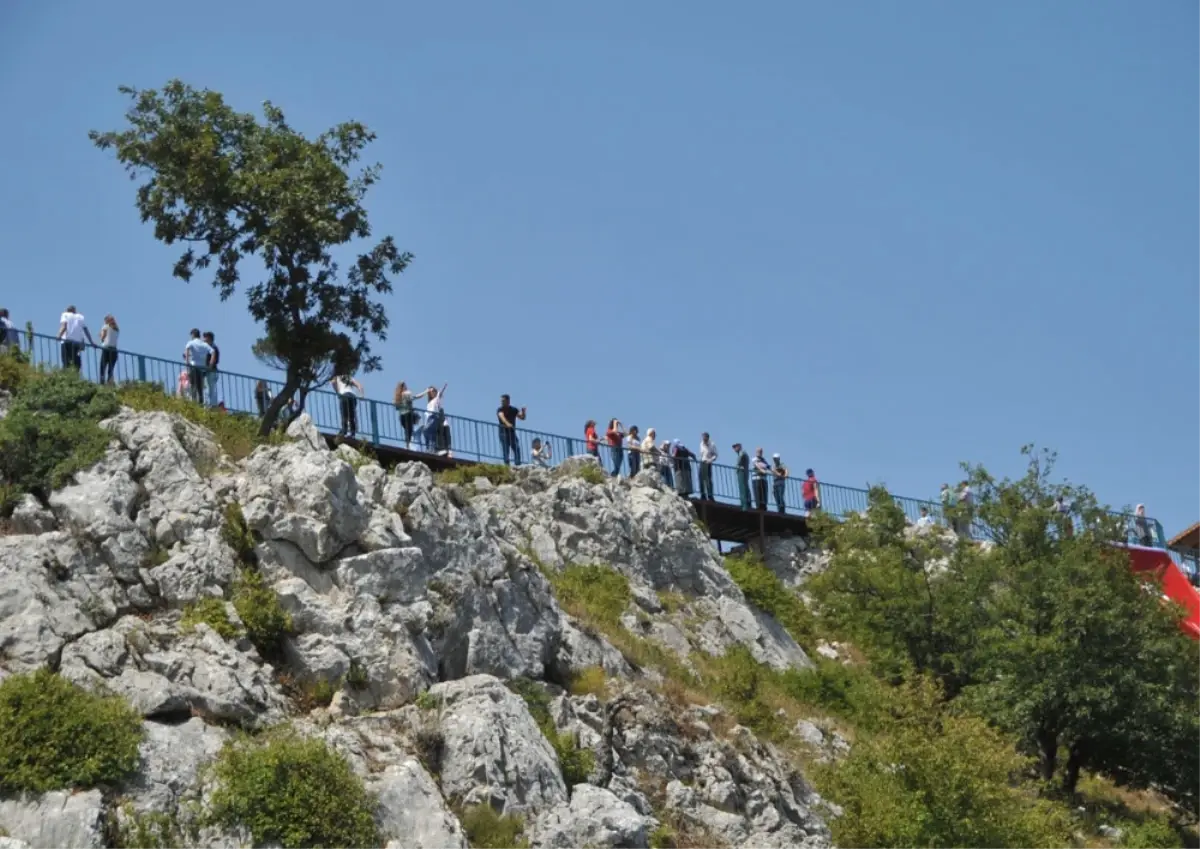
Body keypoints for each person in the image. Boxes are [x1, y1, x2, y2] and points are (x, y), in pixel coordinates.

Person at [58, 305, 94, 370]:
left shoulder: (65, 314)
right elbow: (85, 330)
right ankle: (75, 375)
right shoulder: (80, 317)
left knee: (66, 361)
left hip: (66, 341)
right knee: (76, 362)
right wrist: (91, 342)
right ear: (74, 310)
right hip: (77, 343)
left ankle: (66, 376)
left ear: (67, 310)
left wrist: (59, 335)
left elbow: (64, 326)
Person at [182, 328, 212, 405]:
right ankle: (201, 404)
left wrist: (187, 363)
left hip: (194, 367)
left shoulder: (190, 343)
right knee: (200, 388)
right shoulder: (204, 344)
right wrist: (210, 364)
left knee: (193, 386)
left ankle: (194, 403)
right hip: (202, 368)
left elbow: (186, 353)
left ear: (193, 335)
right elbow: (213, 352)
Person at [497, 394, 527, 465]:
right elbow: (502, 417)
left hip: (512, 432)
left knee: (516, 447)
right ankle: (506, 464)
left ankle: (517, 463)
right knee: (505, 448)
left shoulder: (513, 409)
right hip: (503, 432)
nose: (502, 402)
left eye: (503, 401)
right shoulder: (500, 410)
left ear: (508, 401)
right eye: (501, 401)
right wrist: (507, 424)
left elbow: (522, 418)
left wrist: (523, 412)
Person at [332, 374, 365, 439]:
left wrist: (337, 392)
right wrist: (361, 394)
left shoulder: (337, 376)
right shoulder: (349, 377)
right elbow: (359, 385)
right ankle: (352, 433)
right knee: (351, 416)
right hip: (353, 396)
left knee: (344, 414)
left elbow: (333, 382)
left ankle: (344, 431)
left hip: (344, 395)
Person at [420, 384, 449, 453]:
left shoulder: (437, 398)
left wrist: (444, 386)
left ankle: (432, 449)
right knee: (426, 432)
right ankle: (429, 449)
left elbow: (440, 392)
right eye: (430, 392)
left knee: (430, 432)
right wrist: (427, 391)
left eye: (433, 391)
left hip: (434, 416)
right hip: (429, 418)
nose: (431, 392)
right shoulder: (429, 402)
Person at [394, 382, 419, 448]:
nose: (406, 387)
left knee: (407, 430)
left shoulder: (398, 396)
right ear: (403, 387)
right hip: (407, 415)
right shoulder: (405, 393)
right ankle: (408, 445)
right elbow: (413, 398)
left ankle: (408, 445)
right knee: (409, 430)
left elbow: (397, 407)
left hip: (402, 416)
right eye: (405, 386)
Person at [98, 315, 120, 384]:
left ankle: (102, 383)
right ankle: (109, 383)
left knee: (102, 366)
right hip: (114, 350)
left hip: (106, 349)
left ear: (107, 320)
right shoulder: (117, 329)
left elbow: (102, 337)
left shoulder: (105, 326)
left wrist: (100, 336)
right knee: (111, 369)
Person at [202, 331, 220, 406]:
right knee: (208, 389)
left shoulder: (214, 348)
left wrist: (208, 368)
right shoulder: (208, 348)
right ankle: (209, 405)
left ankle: (212, 406)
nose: (204, 340)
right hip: (208, 372)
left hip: (211, 372)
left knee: (211, 389)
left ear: (210, 339)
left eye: (205, 338)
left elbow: (215, 361)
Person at [698, 433, 717, 501]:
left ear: (707, 438)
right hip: (702, 462)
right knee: (701, 479)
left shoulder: (712, 444)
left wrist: (710, 460)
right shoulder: (701, 444)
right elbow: (702, 454)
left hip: (708, 463)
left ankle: (710, 496)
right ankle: (703, 495)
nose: (704, 440)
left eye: (705, 438)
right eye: (703, 438)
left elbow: (715, 455)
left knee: (708, 480)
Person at [733, 443, 751, 510]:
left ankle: (744, 505)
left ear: (739, 447)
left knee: (743, 488)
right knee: (745, 488)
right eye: (734, 447)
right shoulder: (741, 453)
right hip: (744, 472)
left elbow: (740, 460)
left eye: (735, 447)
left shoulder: (742, 452)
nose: (734, 449)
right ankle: (747, 503)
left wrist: (737, 467)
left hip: (742, 472)